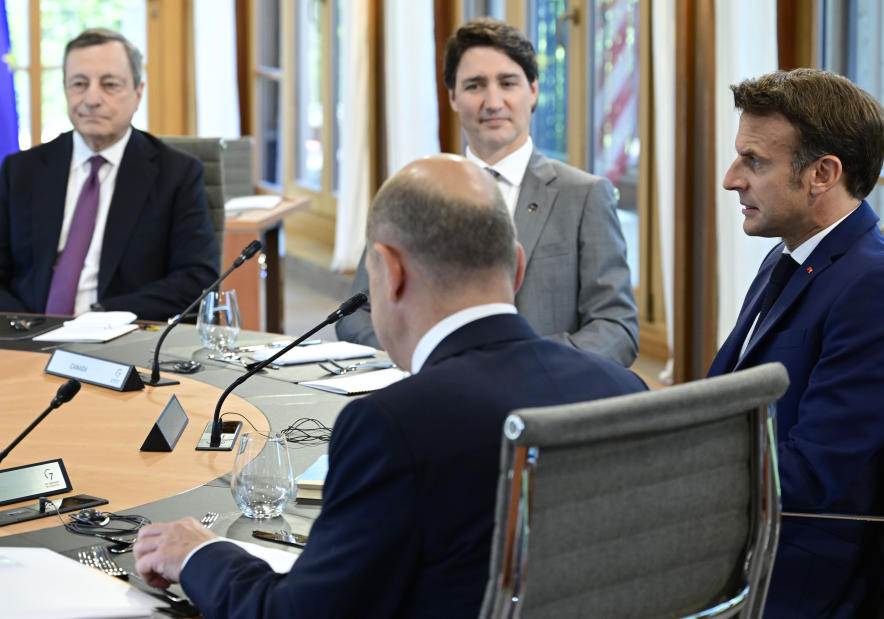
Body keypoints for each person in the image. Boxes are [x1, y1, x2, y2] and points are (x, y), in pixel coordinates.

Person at [133, 155, 648, 618]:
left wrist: (199, 554)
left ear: (391, 271)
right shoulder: (624, 389)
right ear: (515, 267)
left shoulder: (392, 428)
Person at [708, 68, 884, 617]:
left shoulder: (877, 288)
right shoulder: (793, 252)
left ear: (822, 174)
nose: (731, 178)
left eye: (754, 161)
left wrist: (678, 483)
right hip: (739, 526)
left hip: (792, 565)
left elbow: (810, 475)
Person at [337, 17, 640, 367]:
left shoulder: (584, 196)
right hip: (432, 395)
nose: (493, 102)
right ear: (452, 97)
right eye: (475, 86)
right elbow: (354, 316)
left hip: (541, 402)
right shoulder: (412, 192)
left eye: (507, 83)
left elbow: (617, 328)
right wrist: (425, 361)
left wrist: (532, 365)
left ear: (533, 90)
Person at [0, 28, 219, 321]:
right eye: (79, 83)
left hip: (121, 336)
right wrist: (27, 327)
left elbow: (196, 280)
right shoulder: (20, 170)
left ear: (138, 93)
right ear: (65, 89)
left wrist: (100, 316)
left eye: (110, 85)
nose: (92, 98)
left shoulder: (177, 174)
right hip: (25, 335)